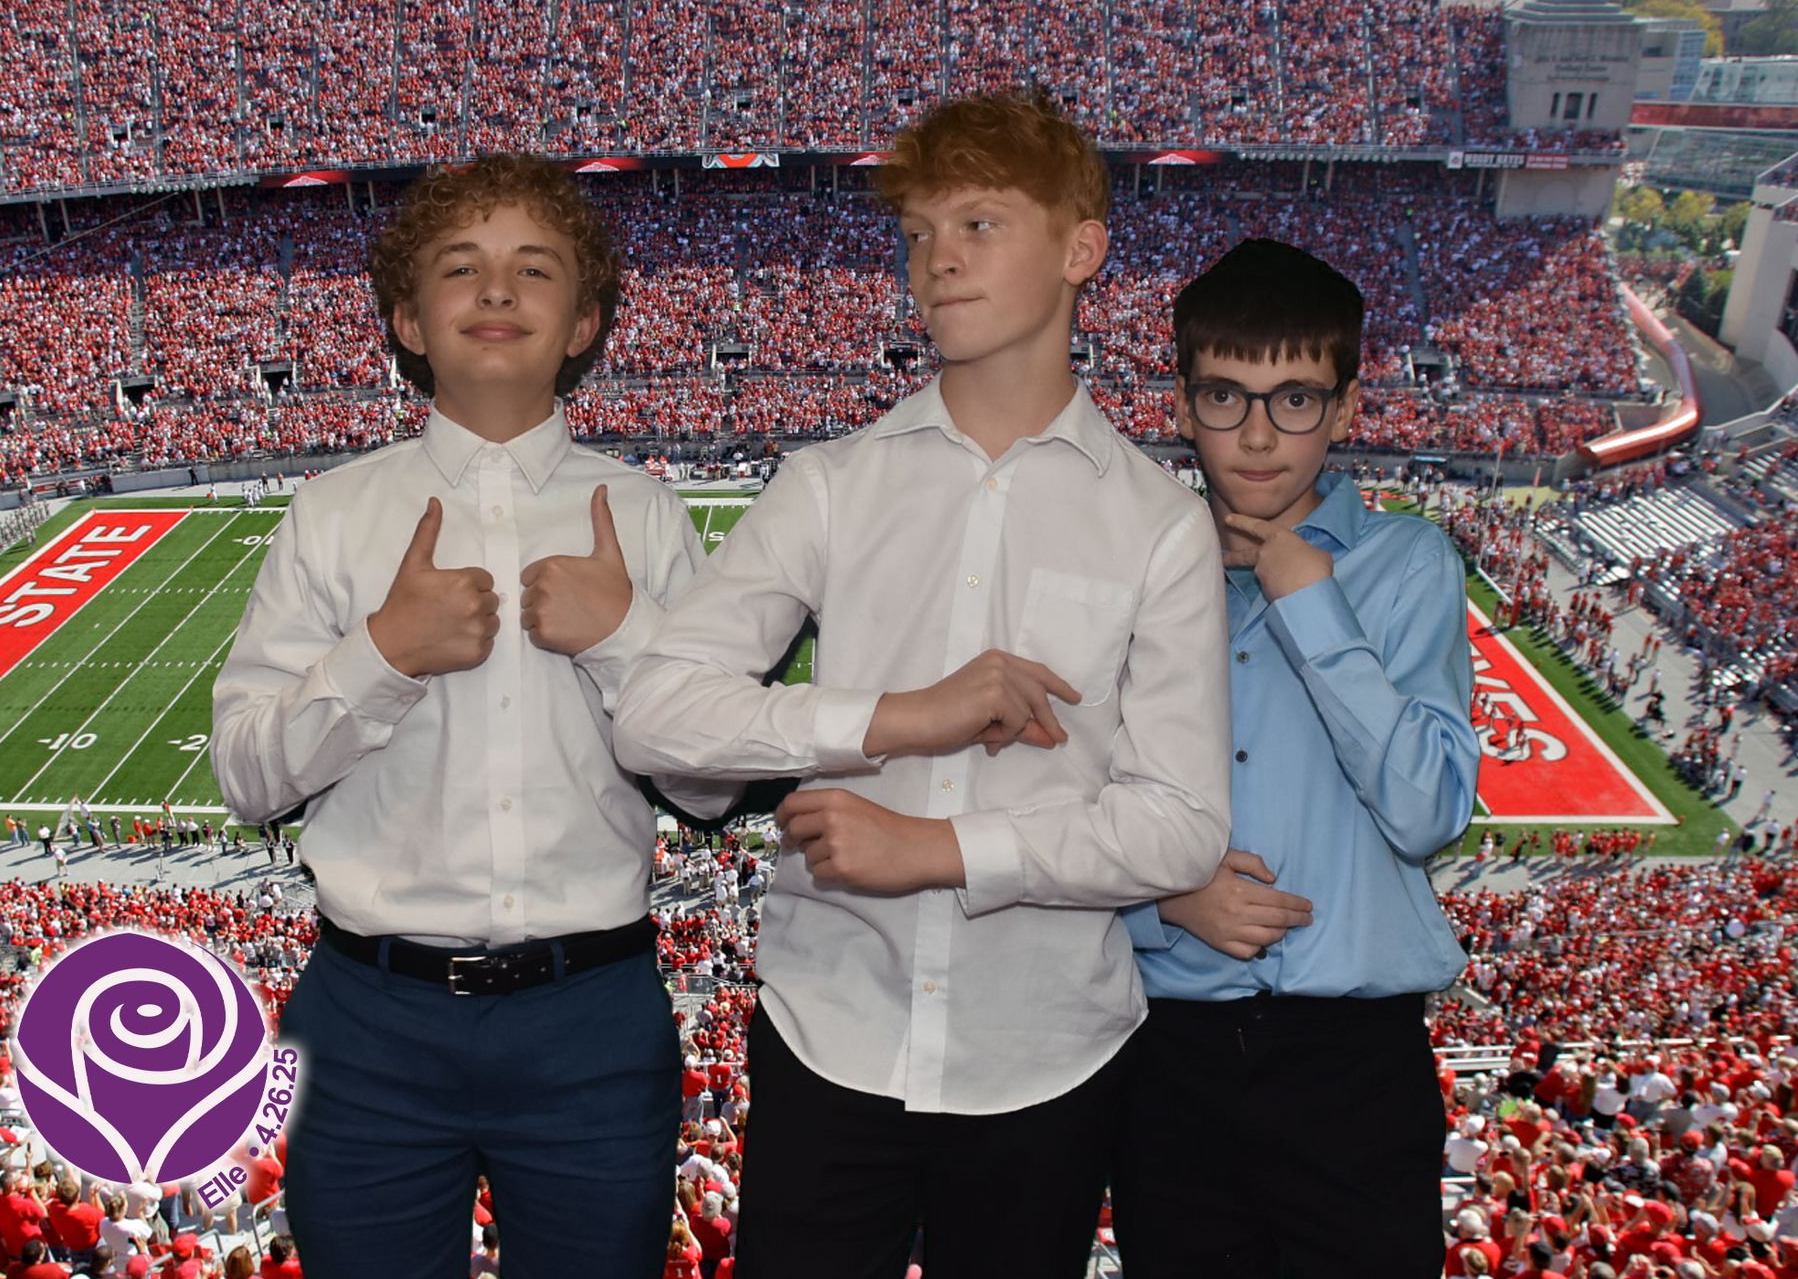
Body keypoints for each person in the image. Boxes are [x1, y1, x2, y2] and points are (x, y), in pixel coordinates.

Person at [613, 89, 1232, 1279]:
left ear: (1080, 249)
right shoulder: (834, 483)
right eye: (918, 232)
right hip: (829, 1029)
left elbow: (1181, 828)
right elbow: (656, 711)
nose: (938, 258)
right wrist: (908, 718)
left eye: (981, 223)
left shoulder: (1159, 526)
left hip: (1046, 1050)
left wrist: (938, 848)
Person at [211, 153, 734, 1279]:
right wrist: (382, 655)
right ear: (408, 316)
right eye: (461, 268)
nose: (497, 293)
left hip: (592, 1014)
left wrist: (623, 641)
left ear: (584, 318)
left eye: (534, 269)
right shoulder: (333, 513)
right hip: (367, 1017)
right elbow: (248, 777)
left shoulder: (644, 514)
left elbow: (713, 786)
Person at [1110, 238, 1480, 1276]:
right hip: (1169, 1050)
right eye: (1226, 396)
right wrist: (1163, 899)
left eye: (1297, 399)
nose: (1261, 434)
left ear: (1348, 409)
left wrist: (1299, 587)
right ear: (1182, 404)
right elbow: (1066, 803)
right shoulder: (1133, 574)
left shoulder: (1409, 566)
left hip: (1351, 1063)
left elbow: (1426, 809)